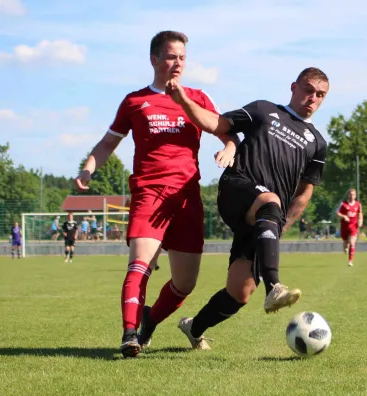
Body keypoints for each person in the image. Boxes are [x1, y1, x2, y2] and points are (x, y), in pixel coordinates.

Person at [73, 30, 238, 358]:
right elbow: (108, 143)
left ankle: (149, 322)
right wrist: (88, 167)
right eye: (171, 56)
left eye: (182, 57)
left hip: (187, 198)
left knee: (185, 283)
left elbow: (228, 134)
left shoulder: (198, 97)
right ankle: (129, 333)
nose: (178, 63)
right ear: (154, 59)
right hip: (150, 194)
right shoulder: (135, 101)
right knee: (139, 264)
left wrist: (230, 149)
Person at [164, 66, 329, 350]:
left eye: (320, 94)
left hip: (266, 216)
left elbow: (304, 193)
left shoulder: (318, 143)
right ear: (294, 87)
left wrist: (279, 228)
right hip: (238, 187)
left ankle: (195, 327)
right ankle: (274, 287)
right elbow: (218, 124)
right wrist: (183, 102)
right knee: (271, 200)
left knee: (239, 292)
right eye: (308, 90)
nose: (313, 98)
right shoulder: (264, 110)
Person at [337, 189, 363, 267]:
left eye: (353, 194)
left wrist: (360, 221)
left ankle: (350, 261)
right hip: (344, 226)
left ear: (355, 196)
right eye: (350, 194)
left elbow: (360, 213)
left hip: (354, 226)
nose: (352, 196)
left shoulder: (358, 204)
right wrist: (344, 216)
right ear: (348, 195)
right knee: (345, 243)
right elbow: (337, 213)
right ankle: (345, 248)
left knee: (352, 243)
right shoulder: (343, 204)